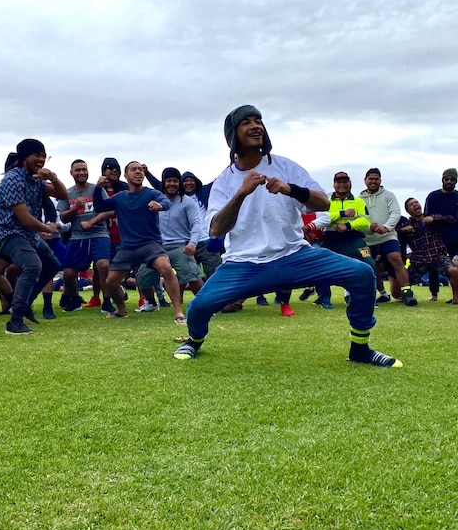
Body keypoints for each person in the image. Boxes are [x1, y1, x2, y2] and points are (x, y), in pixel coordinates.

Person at [172, 106, 401, 367]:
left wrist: (290, 189)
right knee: (198, 308)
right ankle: (194, 340)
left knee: (361, 273)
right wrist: (241, 193)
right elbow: (215, 229)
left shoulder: (285, 166)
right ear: (233, 135)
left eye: (259, 121)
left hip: (294, 255)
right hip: (243, 263)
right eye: (246, 122)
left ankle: (360, 349)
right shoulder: (224, 181)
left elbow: (324, 203)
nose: (256, 126)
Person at [93, 161, 187, 323]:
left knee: (166, 268)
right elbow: (100, 206)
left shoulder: (151, 194)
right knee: (110, 282)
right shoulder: (120, 197)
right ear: (126, 176)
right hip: (128, 247)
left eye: (141, 170)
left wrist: (159, 205)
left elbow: (166, 202)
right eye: (134, 170)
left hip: (150, 244)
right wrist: (97, 188)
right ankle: (121, 309)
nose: (138, 172)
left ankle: (178, 312)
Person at [0, 139, 67, 335]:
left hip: (27, 234)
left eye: (43, 155)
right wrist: (47, 228)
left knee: (52, 264)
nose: (41, 159)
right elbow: (24, 219)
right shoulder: (13, 179)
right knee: (33, 265)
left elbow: (63, 195)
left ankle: (24, 304)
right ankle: (15, 322)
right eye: (37, 155)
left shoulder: (37, 179)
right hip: (9, 232)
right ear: (25, 157)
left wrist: (53, 177)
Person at [135, 167, 205, 313]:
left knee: (191, 274)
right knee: (142, 276)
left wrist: (193, 243)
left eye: (175, 181)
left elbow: (197, 224)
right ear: (163, 183)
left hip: (180, 246)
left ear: (179, 183)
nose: (172, 184)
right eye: (168, 181)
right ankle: (151, 303)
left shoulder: (187, 202)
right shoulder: (154, 201)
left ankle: (206, 304)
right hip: (157, 247)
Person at [57, 159, 113, 312]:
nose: (81, 173)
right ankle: (74, 300)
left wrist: (92, 222)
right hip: (77, 236)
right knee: (68, 273)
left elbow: (109, 210)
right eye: (78, 170)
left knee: (103, 265)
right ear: (71, 173)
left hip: (99, 233)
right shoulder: (66, 193)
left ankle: (107, 301)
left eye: (84, 169)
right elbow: (63, 217)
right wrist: (74, 208)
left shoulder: (98, 189)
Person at [316, 171, 376, 308]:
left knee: (369, 262)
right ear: (334, 184)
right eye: (339, 182)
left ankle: (368, 298)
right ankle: (324, 298)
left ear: (350, 183)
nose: (342, 185)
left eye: (345, 182)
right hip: (331, 238)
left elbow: (365, 221)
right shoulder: (326, 201)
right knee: (321, 264)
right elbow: (322, 218)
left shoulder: (358, 201)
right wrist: (341, 215)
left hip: (354, 238)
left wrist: (348, 225)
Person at [360, 168, 417, 306]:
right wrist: (369, 227)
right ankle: (371, 295)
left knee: (397, 259)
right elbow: (359, 218)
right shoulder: (358, 200)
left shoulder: (389, 195)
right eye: (371, 178)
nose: (374, 181)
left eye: (376, 179)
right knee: (367, 265)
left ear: (380, 180)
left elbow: (396, 213)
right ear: (365, 180)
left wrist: (386, 227)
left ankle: (407, 293)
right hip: (366, 240)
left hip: (388, 237)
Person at [424, 168, 458, 302]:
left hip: (455, 236)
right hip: (436, 237)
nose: (449, 181)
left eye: (452, 179)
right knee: (433, 266)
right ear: (442, 179)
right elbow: (427, 217)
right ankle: (434, 294)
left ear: (456, 181)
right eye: (446, 179)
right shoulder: (432, 196)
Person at [400, 197, 458, 305]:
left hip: (437, 255)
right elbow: (394, 234)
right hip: (419, 258)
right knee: (402, 280)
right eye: (411, 204)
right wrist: (402, 231)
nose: (415, 205)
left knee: (453, 270)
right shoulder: (406, 225)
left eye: (416, 202)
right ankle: (405, 296)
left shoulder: (431, 218)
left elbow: (452, 219)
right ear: (408, 211)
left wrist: (434, 219)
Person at [84, 157, 130, 314]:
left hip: (123, 235)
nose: (114, 170)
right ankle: (98, 297)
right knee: (99, 268)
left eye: (116, 168)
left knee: (128, 267)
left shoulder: (125, 188)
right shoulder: (96, 188)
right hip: (103, 234)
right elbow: (97, 207)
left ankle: (141, 298)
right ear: (103, 171)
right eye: (110, 168)